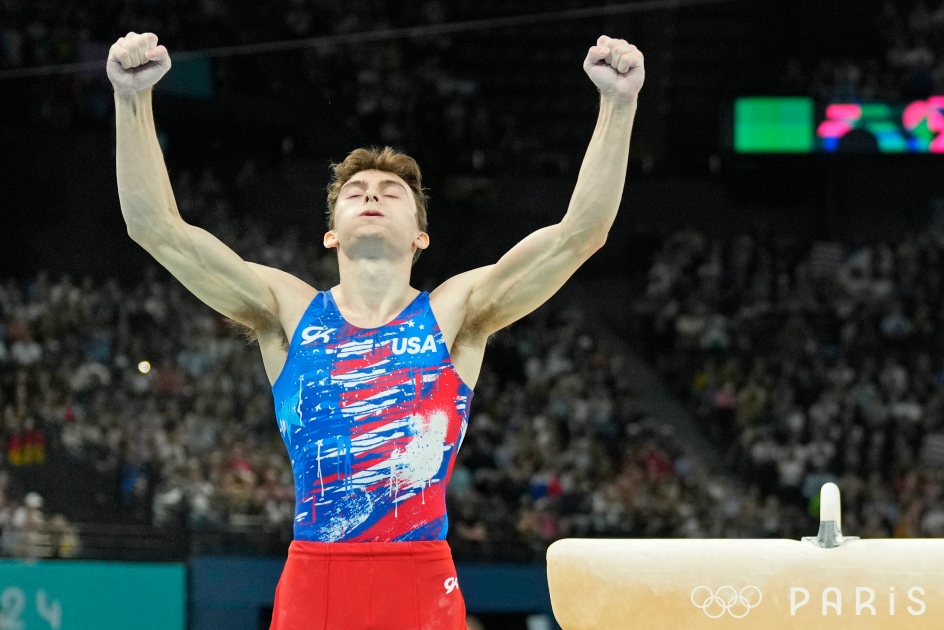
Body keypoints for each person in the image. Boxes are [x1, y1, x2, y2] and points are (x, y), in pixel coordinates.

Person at [107, 31, 644, 629]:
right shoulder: (287, 309)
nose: (371, 194)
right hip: (316, 577)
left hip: (417, 576)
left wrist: (617, 106)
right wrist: (132, 101)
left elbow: (579, 235)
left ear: (421, 236)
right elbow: (157, 229)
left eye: (391, 192)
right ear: (331, 233)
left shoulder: (456, 311)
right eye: (356, 191)